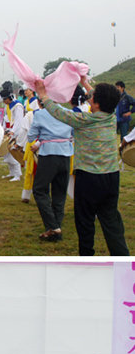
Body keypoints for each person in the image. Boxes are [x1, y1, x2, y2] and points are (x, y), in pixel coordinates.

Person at [35, 78, 130, 256]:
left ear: (97, 103)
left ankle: (87, 257)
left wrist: (42, 94)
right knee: (111, 219)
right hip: (111, 176)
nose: (89, 99)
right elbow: (104, 97)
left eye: (91, 98)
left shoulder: (83, 120)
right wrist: (85, 82)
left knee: (85, 221)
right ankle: (122, 258)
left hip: (89, 178)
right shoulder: (111, 116)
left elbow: (58, 112)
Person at [28, 100, 74, 242]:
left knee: (40, 190)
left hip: (49, 155)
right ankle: (56, 229)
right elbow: (73, 133)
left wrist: (40, 138)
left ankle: (53, 226)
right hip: (65, 154)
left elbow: (31, 136)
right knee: (60, 191)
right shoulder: (68, 113)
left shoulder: (41, 114)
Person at [0, 89, 23, 181]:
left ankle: (17, 175)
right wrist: (4, 128)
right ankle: (12, 172)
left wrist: (13, 131)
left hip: (15, 132)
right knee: (6, 153)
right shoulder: (7, 106)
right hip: (8, 131)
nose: (4, 102)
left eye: (4, 100)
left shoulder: (18, 106)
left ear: (8, 98)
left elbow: (18, 121)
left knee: (13, 153)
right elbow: (6, 118)